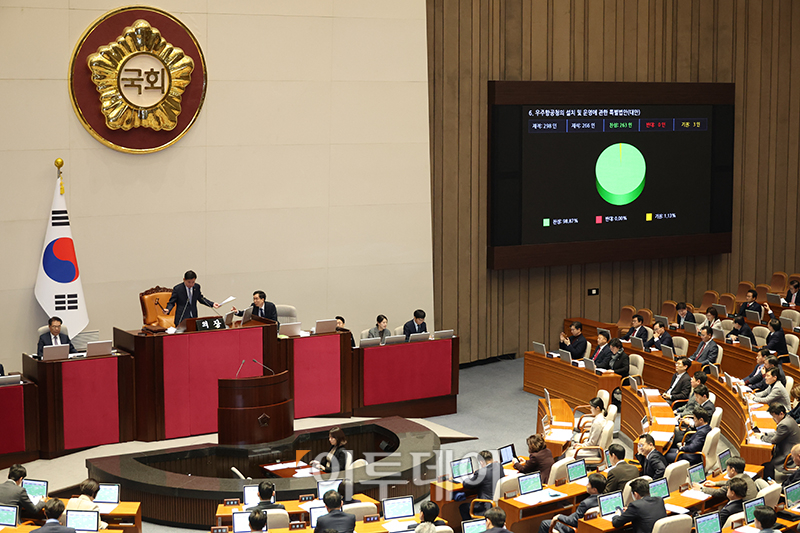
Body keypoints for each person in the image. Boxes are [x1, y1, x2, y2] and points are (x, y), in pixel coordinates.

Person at [538, 473, 606, 533]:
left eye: (588, 484)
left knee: (544, 524)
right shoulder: (604, 499)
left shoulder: (585, 503)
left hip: (574, 528)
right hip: (590, 527)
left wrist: (559, 516)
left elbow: (573, 521)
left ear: (594, 490)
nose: (586, 485)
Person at [760, 402, 800, 480]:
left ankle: (770, 482)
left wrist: (761, 437)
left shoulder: (784, 424)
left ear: (781, 414)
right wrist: (766, 434)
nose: (773, 419)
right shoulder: (787, 418)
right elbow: (778, 433)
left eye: (774, 416)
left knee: (767, 464)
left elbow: (774, 440)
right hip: (790, 449)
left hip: (789, 455)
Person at [459, 450, 503, 520]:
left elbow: (466, 485)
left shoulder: (481, 473)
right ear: (491, 459)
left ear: (481, 462)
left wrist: (470, 476)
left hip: (486, 506)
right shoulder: (499, 466)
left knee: (463, 507)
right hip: (499, 503)